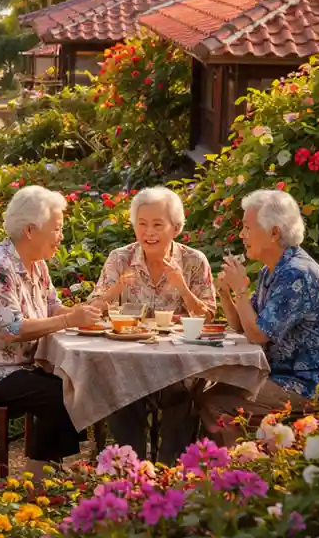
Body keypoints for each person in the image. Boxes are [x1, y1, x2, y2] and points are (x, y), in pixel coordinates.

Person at [0, 186, 104, 474]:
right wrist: (69, 320)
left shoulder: (37, 264)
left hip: (9, 367)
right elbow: (11, 330)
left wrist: (83, 314)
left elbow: (53, 307)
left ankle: (49, 466)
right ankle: (40, 471)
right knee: (56, 393)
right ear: (30, 230)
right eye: (56, 229)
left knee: (70, 382)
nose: (61, 236)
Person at [200, 189, 319, 445]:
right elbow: (244, 327)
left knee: (216, 402)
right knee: (214, 393)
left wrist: (240, 290)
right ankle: (243, 459)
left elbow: (257, 335)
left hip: (314, 384)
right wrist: (226, 293)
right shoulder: (272, 271)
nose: (241, 235)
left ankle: (241, 464)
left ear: (274, 233)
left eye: (248, 228)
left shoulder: (296, 273)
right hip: (286, 376)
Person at [90, 187, 215, 464]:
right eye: (142, 224)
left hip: (178, 363)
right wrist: (116, 288)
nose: (148, 232)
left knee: (185, 393)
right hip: (130, 360)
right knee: (120, 391)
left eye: (158, 225)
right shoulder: (120, 259)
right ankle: (130, 469)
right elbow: (93, 309)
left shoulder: (194, 261)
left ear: (176, 228)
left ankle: (171, 470)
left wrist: (182, 286)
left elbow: (208, 317)